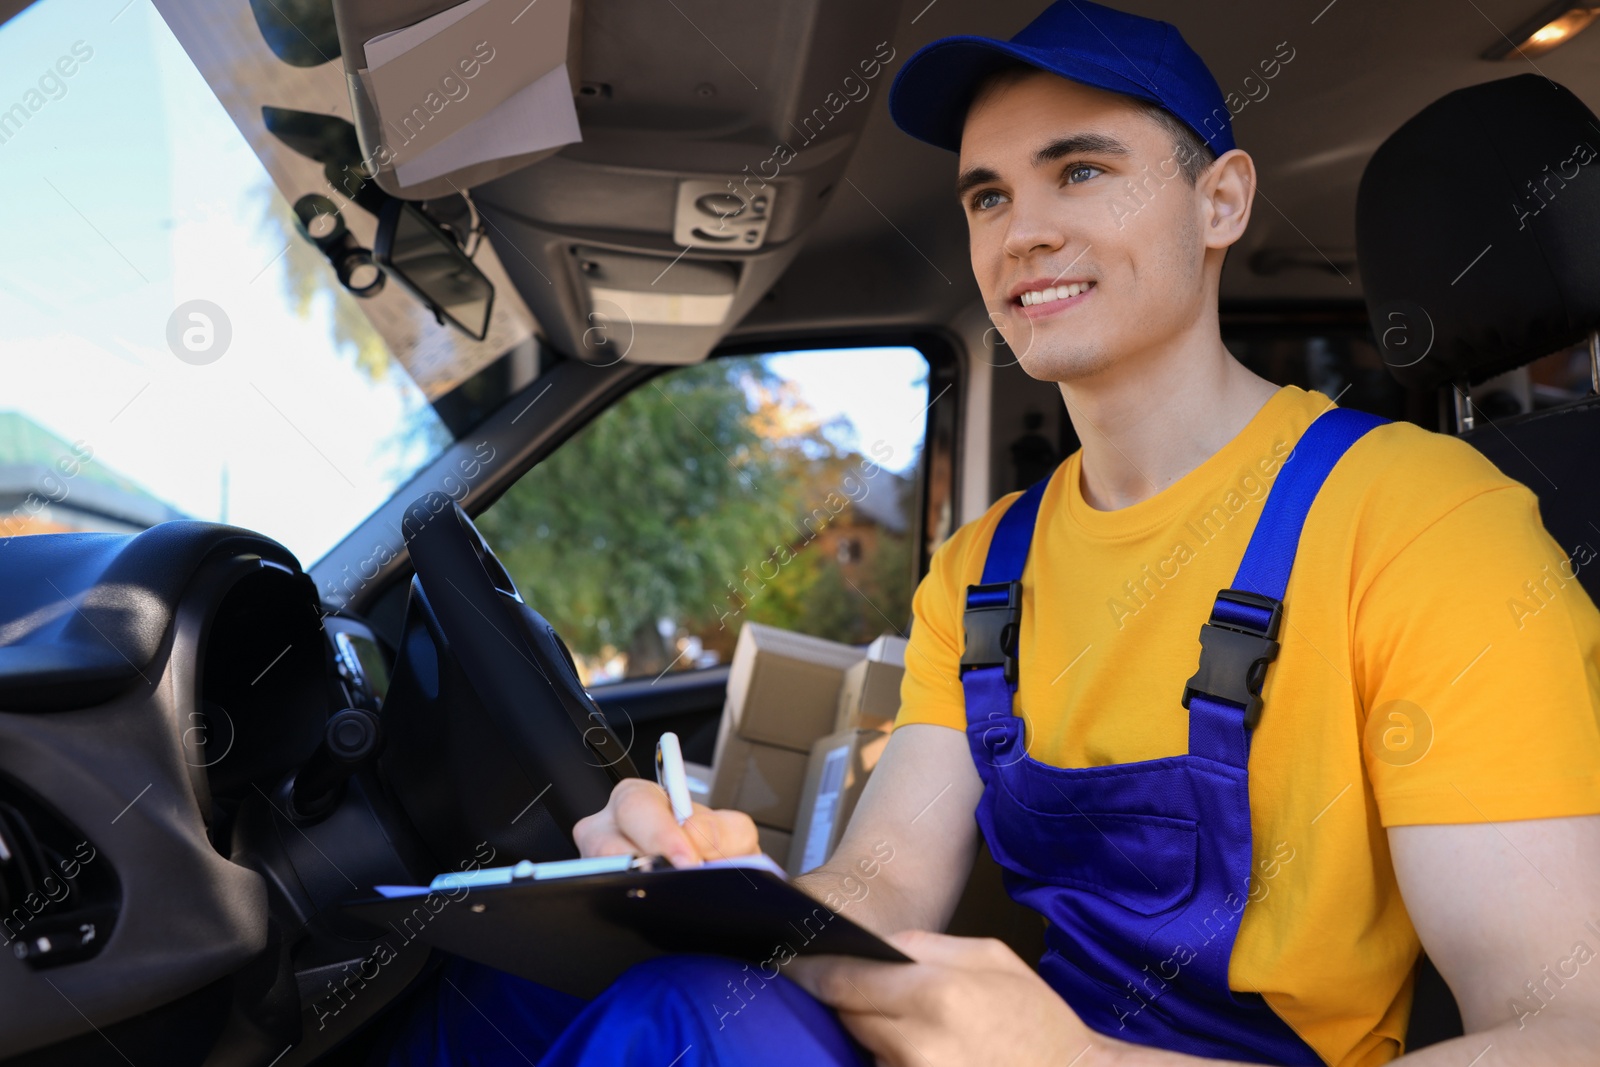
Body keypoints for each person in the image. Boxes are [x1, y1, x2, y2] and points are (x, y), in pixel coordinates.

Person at [376, 2, 1600, 1063]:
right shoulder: (982, 571)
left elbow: (1567, 1031)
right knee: (493, 996)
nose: (1022, 232)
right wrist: (729, 894)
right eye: (986, 194)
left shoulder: (1424, 524)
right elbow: (880, 885)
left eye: (1080, 171)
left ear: (1220, 200)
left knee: (684, 1025)